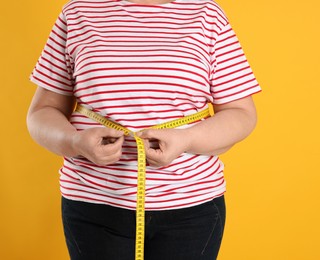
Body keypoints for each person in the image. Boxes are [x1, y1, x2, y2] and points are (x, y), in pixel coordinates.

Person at [27, 0, 261, 259]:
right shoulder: (78, 12)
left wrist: (187, 139)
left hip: (191, 206)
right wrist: (74, 142)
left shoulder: (207, 14)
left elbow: (241, 114)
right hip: (93, 202)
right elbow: (41, 113)